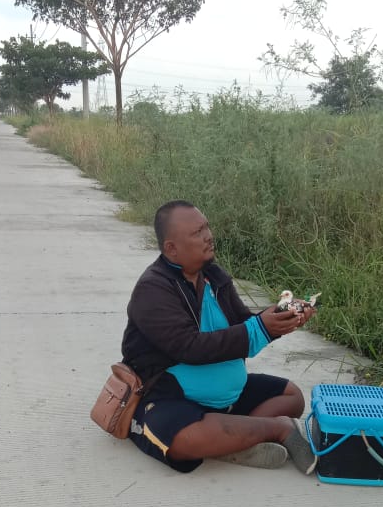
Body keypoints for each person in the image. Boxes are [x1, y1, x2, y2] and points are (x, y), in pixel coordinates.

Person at [121, 200, 318, 474]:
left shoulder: (214, 277)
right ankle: (277, 429)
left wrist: (279, 320)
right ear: (171, 248)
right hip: (172, 397)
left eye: (207, 227)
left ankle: (233, 441)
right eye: (197, 232)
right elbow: (189, 347)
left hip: (228, 396)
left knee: (292, 397)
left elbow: (244, 325)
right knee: (183, 441)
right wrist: (261, 327)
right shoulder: (153, 289)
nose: (208, 236)